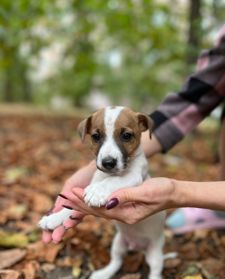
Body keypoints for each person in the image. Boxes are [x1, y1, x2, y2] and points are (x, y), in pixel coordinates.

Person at [42, 24, 225, 244]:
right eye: (97, 137)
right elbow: (197, 94)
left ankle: (217, 206)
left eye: (126, 136)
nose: (108, 154)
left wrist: (178, 192)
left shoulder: (136, 168)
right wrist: (84, 183)